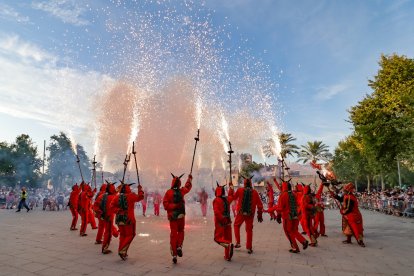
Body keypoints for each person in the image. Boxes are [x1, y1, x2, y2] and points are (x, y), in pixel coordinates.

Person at [269, 181, 308, 253]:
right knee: (294, 231)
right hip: (295, 215)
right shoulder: (294, 194)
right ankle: (303, 241)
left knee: (288, 232)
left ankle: (295, 247)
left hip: (287, 217)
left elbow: (280, 208)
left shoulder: (283, 195)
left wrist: (278, 216)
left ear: (284, 187)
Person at [163, 173, 192, 264]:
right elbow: (187, 187)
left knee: (173, 233)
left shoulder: (168, 192)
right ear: (179, 183)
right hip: (181, 215)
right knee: (181, 231)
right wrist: (189, 179)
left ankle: (174, 254)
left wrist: (173, 206)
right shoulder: (182, 191)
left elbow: (165, 205)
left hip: (172, 217)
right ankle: (179, 246)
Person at [111, 182, 144, 260]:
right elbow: (140, 197)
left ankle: (122, 251)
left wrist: (118, 210)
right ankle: (122, 250)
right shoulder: (131, 196)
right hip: (129, 219)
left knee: (122, 235)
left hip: (119, 219)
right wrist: (140, 189)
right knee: (130, 235)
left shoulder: (116, 197)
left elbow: (111, 206)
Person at [232, 177, 263, 254]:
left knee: (236, 225)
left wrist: (230, 190)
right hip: (250, 214)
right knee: (249, 230)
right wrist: (259, 215)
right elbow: (260, 205)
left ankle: (238, 243)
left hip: (240, 213)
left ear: (244, 183)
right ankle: (249, 247)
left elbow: (233, 198)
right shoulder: (255, 192)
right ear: (251, 183)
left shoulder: (239, 190)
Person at [333, 183, 365, 247]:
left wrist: (343, 212)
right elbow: (340, 199)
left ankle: (360, 241)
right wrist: (334, 195)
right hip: (349, 214)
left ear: (348, 190)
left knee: (356, 229)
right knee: (348, 227)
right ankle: (349, 240)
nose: (343, 191)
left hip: (353, 215)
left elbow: (349, 209)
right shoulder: (346, 195)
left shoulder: (350, 197)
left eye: (345, 190)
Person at [213, 182, 235, 261]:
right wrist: (231, 187)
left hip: (220, 222)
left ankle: (228, 244)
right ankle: (227, 256)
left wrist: (222, 219)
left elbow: (216, 212)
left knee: (217, 238)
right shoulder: (227, 199)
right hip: (228, 222)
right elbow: (231, 196)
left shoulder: (216, 200)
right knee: (227, 238)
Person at [95, 182, 118, 254]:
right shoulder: (112, 197)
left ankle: (99, 240)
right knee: (108, 233)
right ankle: (105, 248)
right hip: (108, 217)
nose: (114, 188)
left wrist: (100, 213)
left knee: (103, 229)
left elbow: (95, 205)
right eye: (113, 187)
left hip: (103, 216)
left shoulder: (101, 195)